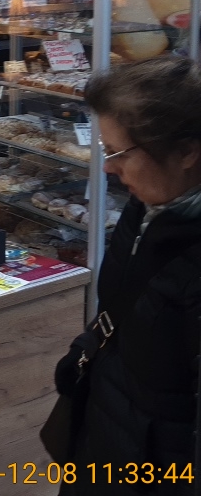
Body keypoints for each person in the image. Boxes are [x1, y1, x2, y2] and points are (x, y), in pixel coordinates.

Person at [53, 56, 201, 494]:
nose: (108, 168)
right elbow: (123, 304)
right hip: (106, 437)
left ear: (187, 152)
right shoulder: (145, 208)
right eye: (106, 150)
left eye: (119, 153)